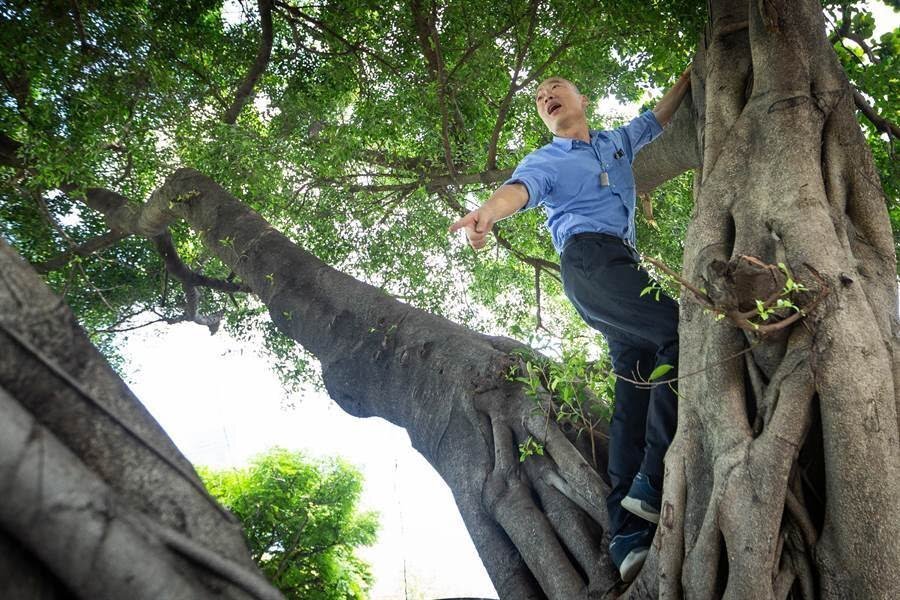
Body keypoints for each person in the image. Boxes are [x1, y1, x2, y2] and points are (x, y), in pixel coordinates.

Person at [449, 68, 691, 582]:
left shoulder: (616, 143)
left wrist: (690, 76)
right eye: (539, 98)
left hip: (620, 266)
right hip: (590, 262)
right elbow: (518, 191)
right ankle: (652, 479)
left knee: (634, 386)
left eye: (554, 88)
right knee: (680, 332)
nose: (546, 97)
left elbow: (655, 119)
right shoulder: (548, 159)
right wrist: (486, 214)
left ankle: (626, 532)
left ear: (581, 98)